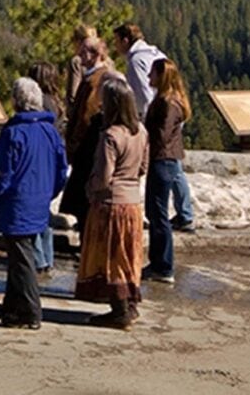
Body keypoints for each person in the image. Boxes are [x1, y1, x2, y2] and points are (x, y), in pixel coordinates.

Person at [0, 77, 68, 330]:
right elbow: (61, 169)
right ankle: (12, 306)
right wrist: (50, 193)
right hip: (40, 200)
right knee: (20, 255)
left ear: (16, 101)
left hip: (16, 203)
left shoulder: (13, 133)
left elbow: (2, 172)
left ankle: (31, 312)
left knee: (22, 259)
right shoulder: (50, 131)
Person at [76, 75, 148, 330]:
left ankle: (119, 311)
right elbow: (142, 167)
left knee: (111, 256)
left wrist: (89, 187)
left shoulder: (110, 136)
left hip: (111, 205)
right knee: (129, 254)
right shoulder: (141, 132)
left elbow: (104, 176)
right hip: (133, 203)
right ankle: (131, 304)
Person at [114, 22, 195, 232]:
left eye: (117, 41)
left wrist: (140, 122)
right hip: (169, 117)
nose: (115, 46)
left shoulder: (137, 61)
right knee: (175, 169)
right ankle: (185, 213)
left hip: (157, 119)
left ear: (125, 40)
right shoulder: (154, 52)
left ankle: (179, 215)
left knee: (164, 170)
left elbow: (142, 94)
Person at [142, 59, 192, 285]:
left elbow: (161, 134)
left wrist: (143, 136)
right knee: (155, 213)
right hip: (167, 160)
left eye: (152, 73)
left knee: (158, 214)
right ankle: (158, 262)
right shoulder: (171, 100)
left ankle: (164, 265)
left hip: (162, 160)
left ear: (162, 76)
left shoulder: (167, 103)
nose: (149, 77)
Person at [60, 38, 113, 233]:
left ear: (96, 55)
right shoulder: (94, 77)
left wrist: (74, 142)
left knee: (82, 196)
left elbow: (86, 115)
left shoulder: (95, 80)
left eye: (85, 53)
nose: (80, 56)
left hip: (86, 146)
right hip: (88, 144)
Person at [27, 61, 65, 273]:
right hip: (51, 160)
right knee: (44, 211)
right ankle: (46, 259)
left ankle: (39, 259)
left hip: (40, 159)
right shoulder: (56, 102)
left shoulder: (41, 102)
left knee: (36, 213)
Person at [65, 24, 98, 116]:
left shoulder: (77, 62)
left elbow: (73, 94)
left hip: (82, 114)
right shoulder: (107, 61)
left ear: (78, 41)